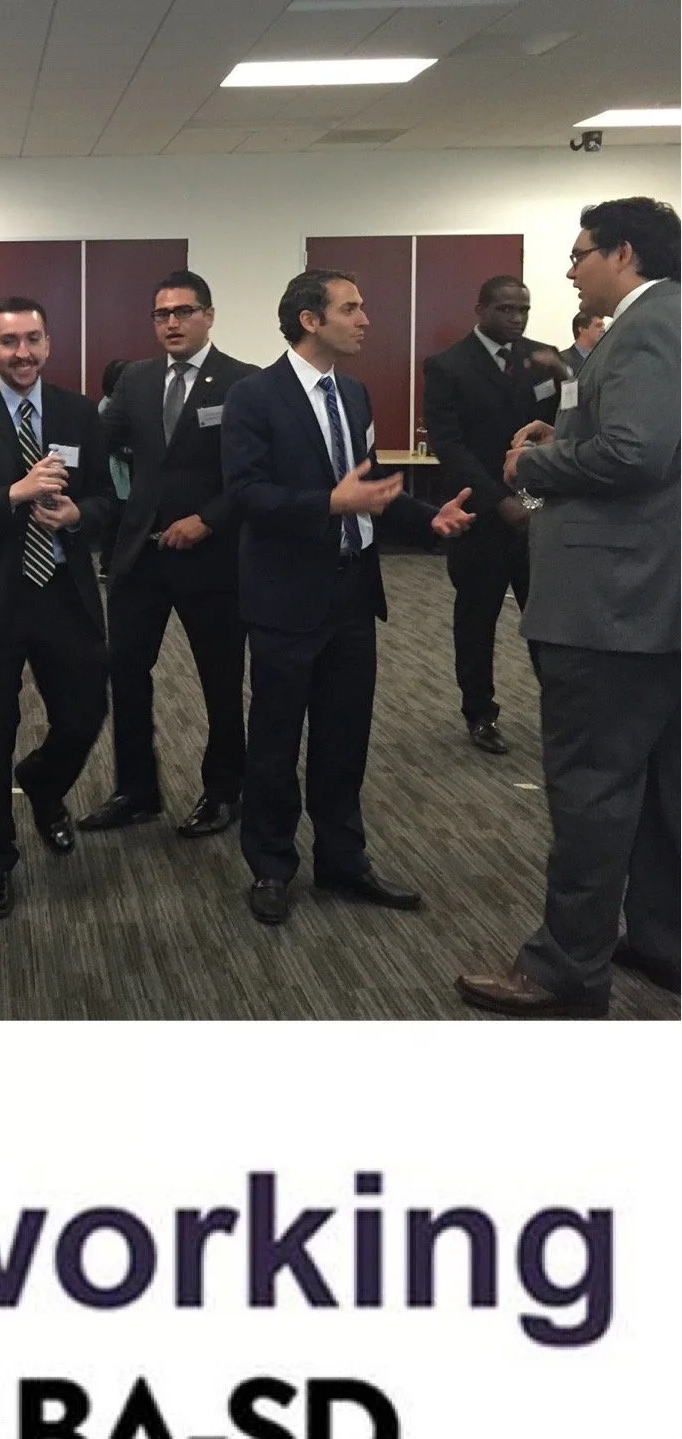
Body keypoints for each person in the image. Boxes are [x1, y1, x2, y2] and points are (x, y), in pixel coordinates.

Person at [457, 197, 679, 1017]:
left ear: (622, 252)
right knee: (658, 790)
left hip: (614, 607)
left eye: (579, 253)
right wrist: (567, 444)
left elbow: (636, 451)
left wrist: (531, 469)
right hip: (652, 599)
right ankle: (660, 940)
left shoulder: (649, 323)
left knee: (592, 790)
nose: (570, 270)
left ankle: (564, 970)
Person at [219, 266, 474, 925]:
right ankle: (272, 866)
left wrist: (427, 521)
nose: (365, 319)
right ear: (311, 319)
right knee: (275, 742)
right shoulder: (255, 397)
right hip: (284, 599)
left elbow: (373, 484)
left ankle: (342, 862)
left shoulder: (354, 394)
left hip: (353, 593)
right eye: (351, 308)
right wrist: (329, 502)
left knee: (343, 739)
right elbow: (245, 495)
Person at [0, 296, 114, 921]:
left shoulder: (79, 412)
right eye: (9, 342)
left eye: (33, 339)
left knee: (87, 713)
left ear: (49, 342)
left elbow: (107, 500)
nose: (23, 353)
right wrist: (15, 493)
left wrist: (77, 514)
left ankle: (41, 781)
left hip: (64, 595)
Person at [84, 271, 254, 838]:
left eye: (183, 312)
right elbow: (94, 442)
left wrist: (207, 519)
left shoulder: (242, 383)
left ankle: (225, 790)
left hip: (212, 556)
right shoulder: (135, 379)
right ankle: (136, 789)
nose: (172, 323)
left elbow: (251, 475)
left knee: (220, 679)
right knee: (126, 672)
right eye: (162, 315)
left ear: (208, 314)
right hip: (142, 554)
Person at [421, 275, 562, 754]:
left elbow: (566, 426)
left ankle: (559, 712)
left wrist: (528, 503)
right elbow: (450, 445)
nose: (517, 318)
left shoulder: (544, 358)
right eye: (505, 309)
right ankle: (479, 713)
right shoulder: (447, 365)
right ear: (480, 308)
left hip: (536, 509)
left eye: (523, 309)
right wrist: (497, 501)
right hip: (477, 513)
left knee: (544, 615)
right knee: (477, 617)